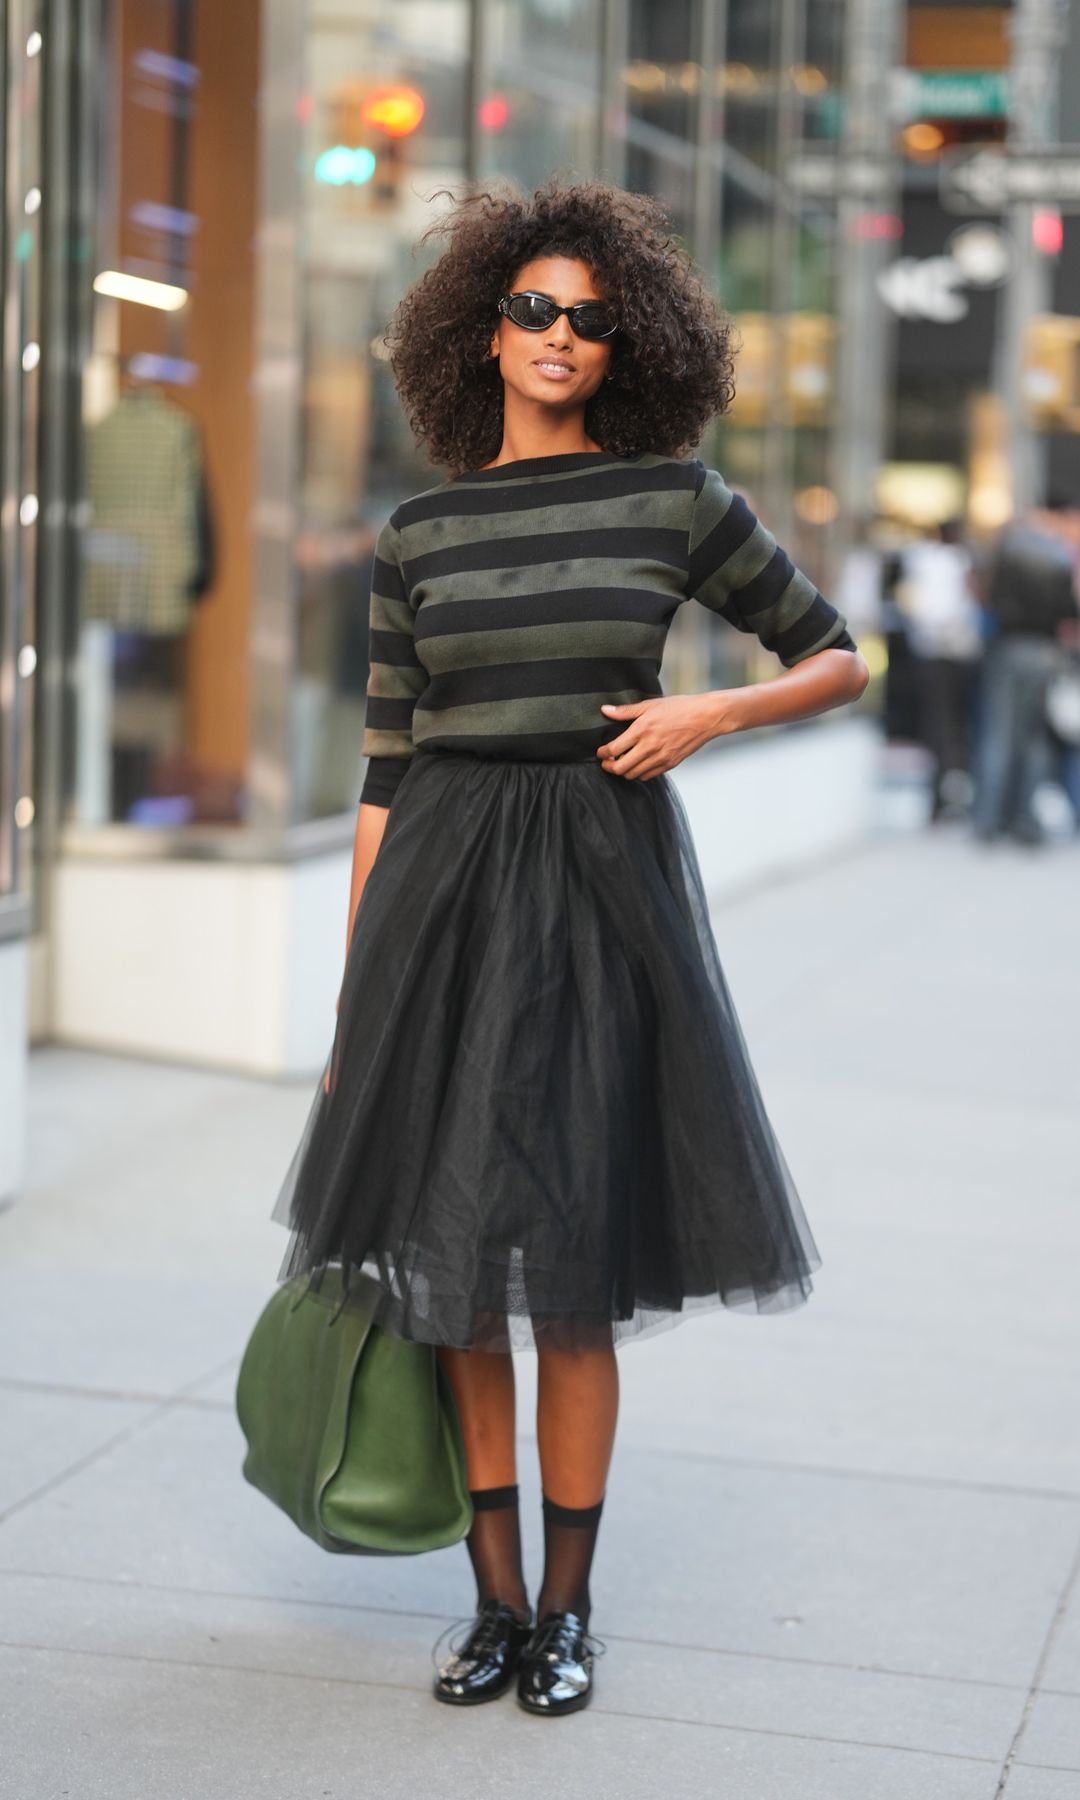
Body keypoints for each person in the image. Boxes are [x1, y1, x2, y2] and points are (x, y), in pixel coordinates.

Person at [270, 177, 869, 1718]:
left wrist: (707, 709)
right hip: (443, 912)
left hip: (604, 902)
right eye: (534, 308)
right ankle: (486, 1607)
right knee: (455, 1279)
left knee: (575, 1281)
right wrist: (360, 993)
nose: (560, 334)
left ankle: (567, 1612)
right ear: (483, 331)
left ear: (626, 349)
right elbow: (385, 770)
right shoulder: (417, 530)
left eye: (592, 320)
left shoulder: (674, 500)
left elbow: (837, 658)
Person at [971, 498, 1080, 845]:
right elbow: (1068, 610)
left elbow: (990, 600)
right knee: (1035, 740)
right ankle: (1024, 820)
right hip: (1046, 650)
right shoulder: (1059, 555)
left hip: (1009, 647)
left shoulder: (1007, 550)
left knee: (998, 734)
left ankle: (989, 818)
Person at [895, 520, 983, 821]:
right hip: (945, 653)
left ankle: (947, 796)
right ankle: (947, 796)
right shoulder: (940, 561)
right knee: (948, 728)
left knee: (943, 727)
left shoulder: (935, 561)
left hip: (940, 654)